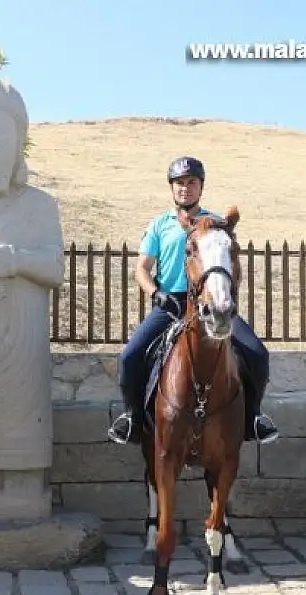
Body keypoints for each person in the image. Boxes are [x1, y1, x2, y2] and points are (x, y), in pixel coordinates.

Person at [106, 156, 278, 445]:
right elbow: (142, 270)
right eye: (180, 183)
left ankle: (254, 418)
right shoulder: (160, 225)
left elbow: (230, 264)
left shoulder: (213, 224)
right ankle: (132, 418)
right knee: (130, 356)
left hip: (209, 304)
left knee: (258, 354)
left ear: (201, 187)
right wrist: (156, 293)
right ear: (172, 188)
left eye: (191, 182)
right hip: (170, 304)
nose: (185, 188)